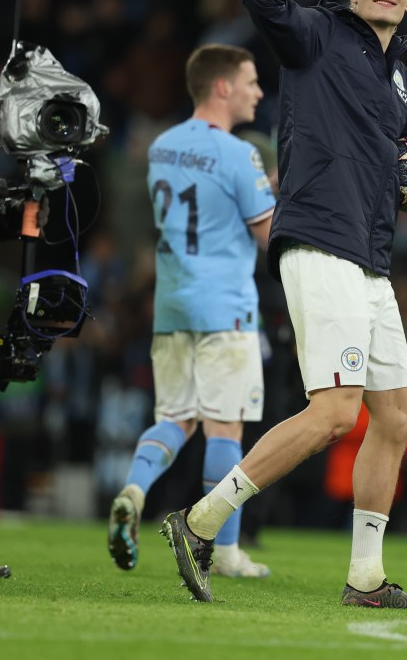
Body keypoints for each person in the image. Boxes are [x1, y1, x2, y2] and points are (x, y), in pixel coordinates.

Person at [160, 0, 407, 607]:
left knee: (395, 416)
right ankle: (199, 521)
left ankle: (365, 578)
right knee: (335, 412)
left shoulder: (405, 85)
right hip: (320, 241)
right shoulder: (314, 36)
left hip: (372, 258)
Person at [107, 43, 275, 578]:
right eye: (250, 81)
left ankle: (133, 490)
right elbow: (268, 233)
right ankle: (222, 551)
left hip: (173, 300)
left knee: (174, 417)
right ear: (222, 87)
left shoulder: (162, 145)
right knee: (224, 430)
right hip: (225, 303)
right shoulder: (239, 154)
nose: (258, 91)